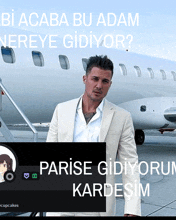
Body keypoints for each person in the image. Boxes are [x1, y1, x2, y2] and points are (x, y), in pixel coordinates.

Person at [46, 55, 141, 216]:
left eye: (105, 81)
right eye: (94, 79)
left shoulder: (122, 117)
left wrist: (132, 209)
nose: (99, 85)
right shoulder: (61, 110)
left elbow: (129, 164)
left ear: (110, 84)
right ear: (85, 79)